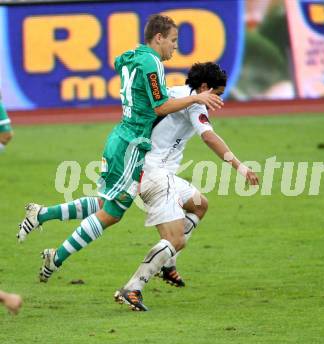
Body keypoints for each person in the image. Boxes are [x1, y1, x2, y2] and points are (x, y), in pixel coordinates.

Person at [17, 14, 223, 284]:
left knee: (107, 203)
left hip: (122, 137)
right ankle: (56, 257)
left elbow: (118, 63)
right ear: (158, 38)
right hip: (132, 143)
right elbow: (159, 106)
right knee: (112, 212)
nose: (175, 46)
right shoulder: (152, 62)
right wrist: (196, 96)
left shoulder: (133, 55)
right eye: (173, 40)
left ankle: (43, 216)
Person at [114, 62, 259, 311]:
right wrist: (240, 166)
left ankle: (168, 264)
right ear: (204, 87)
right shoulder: (195, 103)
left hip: (153, 170)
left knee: (200, 204)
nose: (218, 100)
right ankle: (133, 288)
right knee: (176, 239)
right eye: (218, 94)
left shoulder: (176, 93)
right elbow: (209, 137)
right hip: (154, 175)